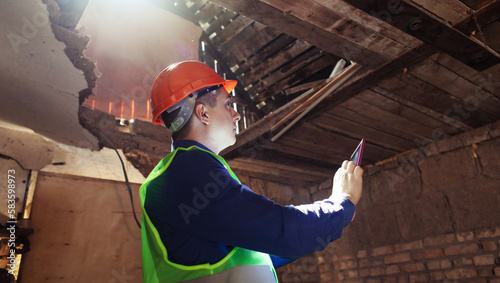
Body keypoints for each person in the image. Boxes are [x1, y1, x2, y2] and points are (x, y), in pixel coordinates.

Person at [139, 61, 363, 283]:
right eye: (227, 104)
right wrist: (341, 204)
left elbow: (259, 249)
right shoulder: (186, 172)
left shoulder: (184, 173)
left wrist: (317, 230)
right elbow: (278, 228)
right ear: (203, 113)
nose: (236, 115)